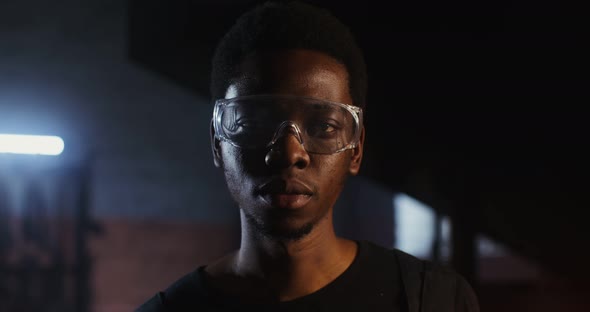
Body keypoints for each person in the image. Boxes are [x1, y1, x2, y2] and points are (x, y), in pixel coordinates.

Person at [136, 1, 480, 311]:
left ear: (356, 149)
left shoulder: (434, 301)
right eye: (253, 122)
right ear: (217, 142)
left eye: (323, 126)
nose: (289, 153)